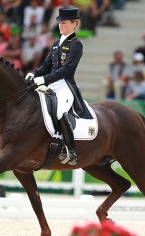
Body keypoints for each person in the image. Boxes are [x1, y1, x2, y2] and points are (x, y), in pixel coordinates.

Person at [25, 6, 92, 166]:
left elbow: (66, 70)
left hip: (64, 86)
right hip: (50, 83)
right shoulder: (56, 44)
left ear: (74, 24)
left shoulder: (76, 44)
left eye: (64, 23)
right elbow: (45, 66)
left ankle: (71, 150)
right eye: (60, 23)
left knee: (60, 111)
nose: (60, 25)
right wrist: (34, 74)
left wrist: (44, 80)